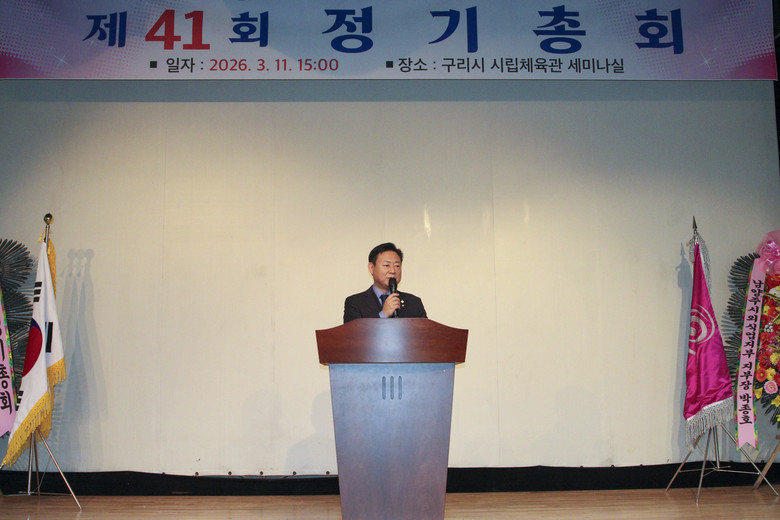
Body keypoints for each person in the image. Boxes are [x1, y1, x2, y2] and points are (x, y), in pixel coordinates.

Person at [343, 242, 427, 323]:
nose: (392, 270)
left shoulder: (414, 303)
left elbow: (427, 331)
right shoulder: (355, 303)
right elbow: (353, 332)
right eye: (387, 265)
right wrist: (383, 314)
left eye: (397, 266)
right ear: (371, 268)